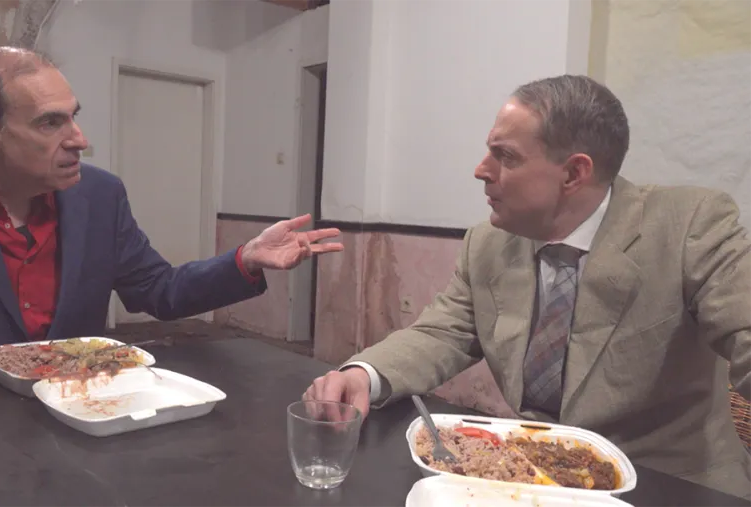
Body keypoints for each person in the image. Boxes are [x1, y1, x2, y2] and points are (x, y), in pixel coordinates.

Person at [303, 74, 751, 498]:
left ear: (574, 173)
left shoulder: (689, 226)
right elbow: (442, 333)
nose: (481, 170)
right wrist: (363, 374)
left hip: (669, 487)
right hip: (528, 479)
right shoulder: (489, 243)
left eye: (506, 156)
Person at [0, 46, 343, 375]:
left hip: (74, 424)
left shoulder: (100, 196)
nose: (79, 140)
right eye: (50, 123)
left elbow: (158, 290)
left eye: (74, 117)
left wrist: (245, 260)